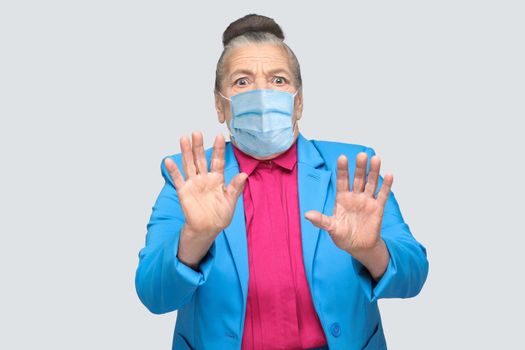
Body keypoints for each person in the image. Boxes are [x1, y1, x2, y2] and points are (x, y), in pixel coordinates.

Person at [135, 13, 429, 350]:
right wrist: (194, 240)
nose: (261, 93)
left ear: (299, 101)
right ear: (220, 105)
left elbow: (414, 276)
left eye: (278, 80)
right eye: (242, 82)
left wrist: (372, 252)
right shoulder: (189, 176)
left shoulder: (352, 170)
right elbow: (153, 295)